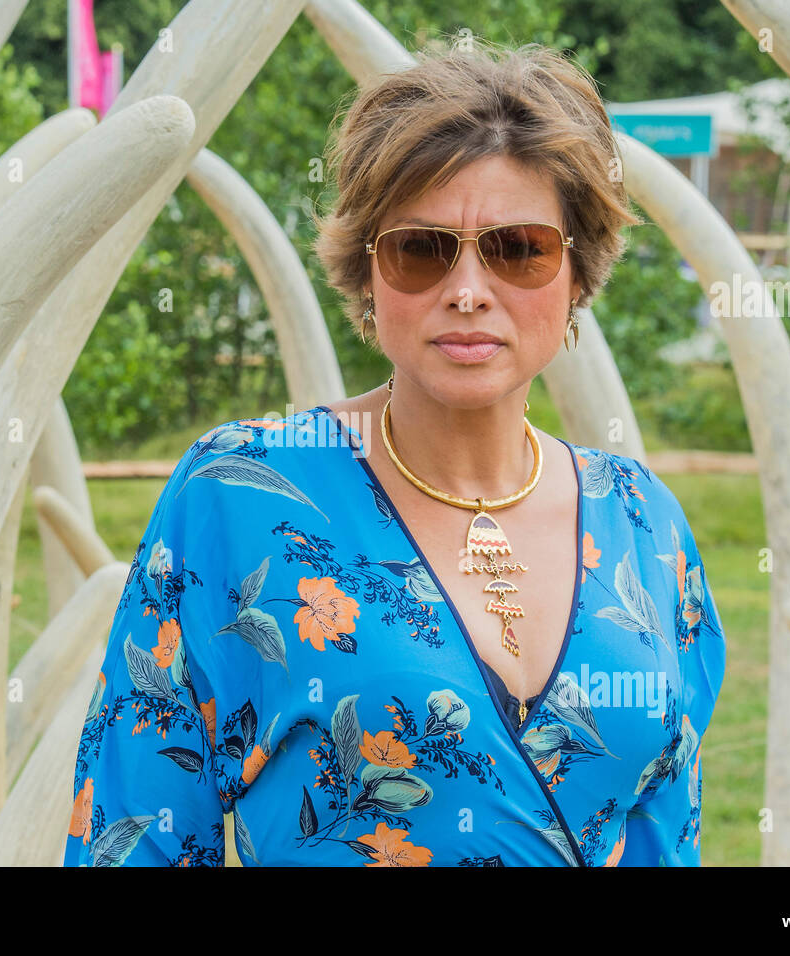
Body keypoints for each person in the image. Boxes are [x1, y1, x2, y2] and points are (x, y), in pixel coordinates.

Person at [64, 38, 726, 867]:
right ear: (367, 274)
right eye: (422, 249)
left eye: (519, 248)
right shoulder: (241, 493)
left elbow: (670, 836)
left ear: (576, 274)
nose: (469, 289)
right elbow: (134, 837)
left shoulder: (644, 521)